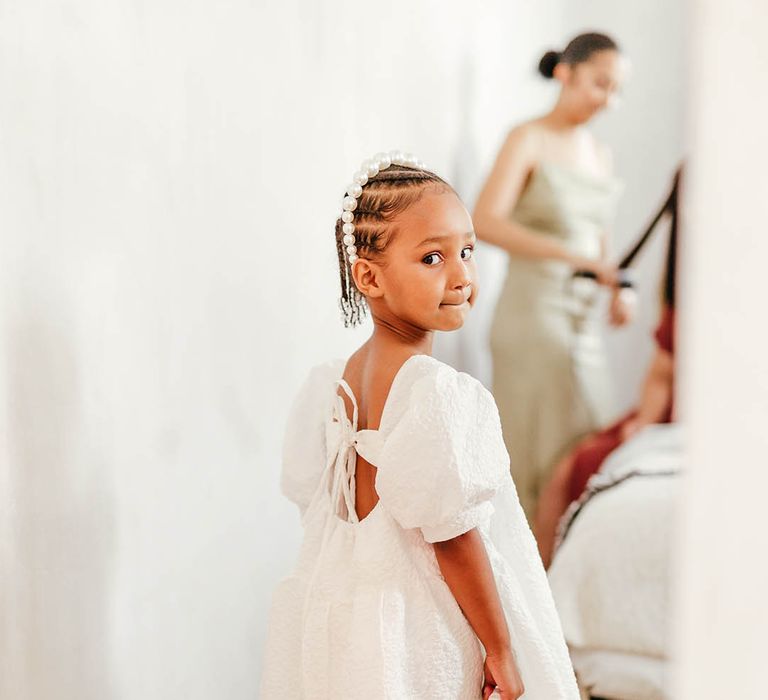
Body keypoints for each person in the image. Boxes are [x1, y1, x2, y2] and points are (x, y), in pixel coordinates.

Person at [260, 151, 580, 699]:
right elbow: (452, 536)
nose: (461, 275)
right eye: (432, 258)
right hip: (419, 617)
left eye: (466, 251)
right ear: (369, 276)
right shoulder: (432, 390)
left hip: (349, 611)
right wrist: (499, 648)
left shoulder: (340, 380)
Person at [473, 32, 632, 521]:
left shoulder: (600, 155)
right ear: (566, 72)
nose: (607, 99)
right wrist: (572, 260)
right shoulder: (527, 138)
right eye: (598, 83)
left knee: (587, 442)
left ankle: (565, 577)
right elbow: (484, 221)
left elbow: (598, 238)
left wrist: (618, 289)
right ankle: (521, 583)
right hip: (533, 315)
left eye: (615, 89)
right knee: (534, 454)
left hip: (582, 320)